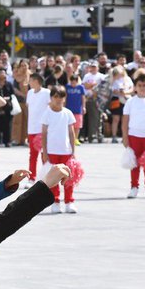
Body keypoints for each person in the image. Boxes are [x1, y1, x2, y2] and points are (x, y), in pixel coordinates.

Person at [40, 85, 80, 214]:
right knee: (53, 178)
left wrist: (73, 151)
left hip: (66, 151)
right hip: (52, 151)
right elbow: (44, 134)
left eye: (61, 96)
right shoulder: (47, 113)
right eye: (56, 96)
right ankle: (55, 201)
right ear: (51, 97)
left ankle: (69, 201)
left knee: (68, 177)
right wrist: (45, 152)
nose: (58, 99)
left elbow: (71, 132)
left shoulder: (67, 113)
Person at [25, 73, 51, 178]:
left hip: (43, 129)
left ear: (36, 81)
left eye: (30, 80)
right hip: (32, 128)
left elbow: (50, 108)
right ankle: (32, 177)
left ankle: (46, 177)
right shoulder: (30, 93)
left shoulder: (46, 93)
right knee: (33, 155)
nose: (29, 82)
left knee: (44, 154)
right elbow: (28, 107)